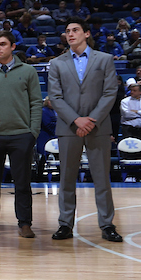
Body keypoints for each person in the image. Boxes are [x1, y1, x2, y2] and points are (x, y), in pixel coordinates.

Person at [48, 20, 123, 242]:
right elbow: (55, 97)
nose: (70, 34)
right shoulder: (57, 63)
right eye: (67, 31)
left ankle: (107, 224)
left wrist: (91, 120)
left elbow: (110, 93)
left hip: (98, 126)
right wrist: (76, 120)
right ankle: (65, 224)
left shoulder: (105, 59)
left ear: (86, 34)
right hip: (69, 127)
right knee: (67, 179)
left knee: (102, 178)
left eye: (75, 30)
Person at [0, 30, 42, 238]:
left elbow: (36, 103)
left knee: (22, 183)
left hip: (21, 135)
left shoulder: (28, 71)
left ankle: (25, 223)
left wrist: (33, 131)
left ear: (12, 47)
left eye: (2, 44)